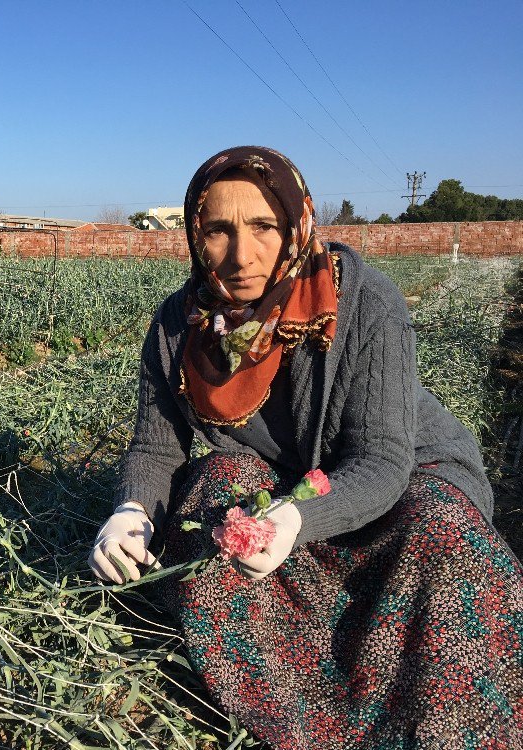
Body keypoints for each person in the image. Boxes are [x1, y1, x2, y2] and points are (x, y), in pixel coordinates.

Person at [88, 146, 523, 748]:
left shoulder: (365, 303)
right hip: (280, 488)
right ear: (194, 233)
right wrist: (132, 511)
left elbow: (381, 461)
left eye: (264, 226)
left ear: (296, 224)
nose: (242, 256)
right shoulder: (177, 327)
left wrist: (298, 518)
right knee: (214, 495)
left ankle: (442, 721)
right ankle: (299, 714)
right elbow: (156, 450)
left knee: (438, 531)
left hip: (397, 474)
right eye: (218, 230)